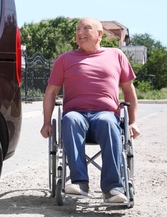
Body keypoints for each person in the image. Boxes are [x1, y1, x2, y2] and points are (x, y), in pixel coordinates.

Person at [40, 17, 140, 203]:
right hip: (76, 114)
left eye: (86, 28)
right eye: (78, 30)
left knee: (108, 122)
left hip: (105, 113)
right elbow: (51, 91)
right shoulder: (65, 59)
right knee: (70, 120)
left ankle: (113, 189)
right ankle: (79, 183)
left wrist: (133, 121)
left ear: (100, 34)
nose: (80, 33)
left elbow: (128, 89)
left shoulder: (116, 55)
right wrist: (46, 122)